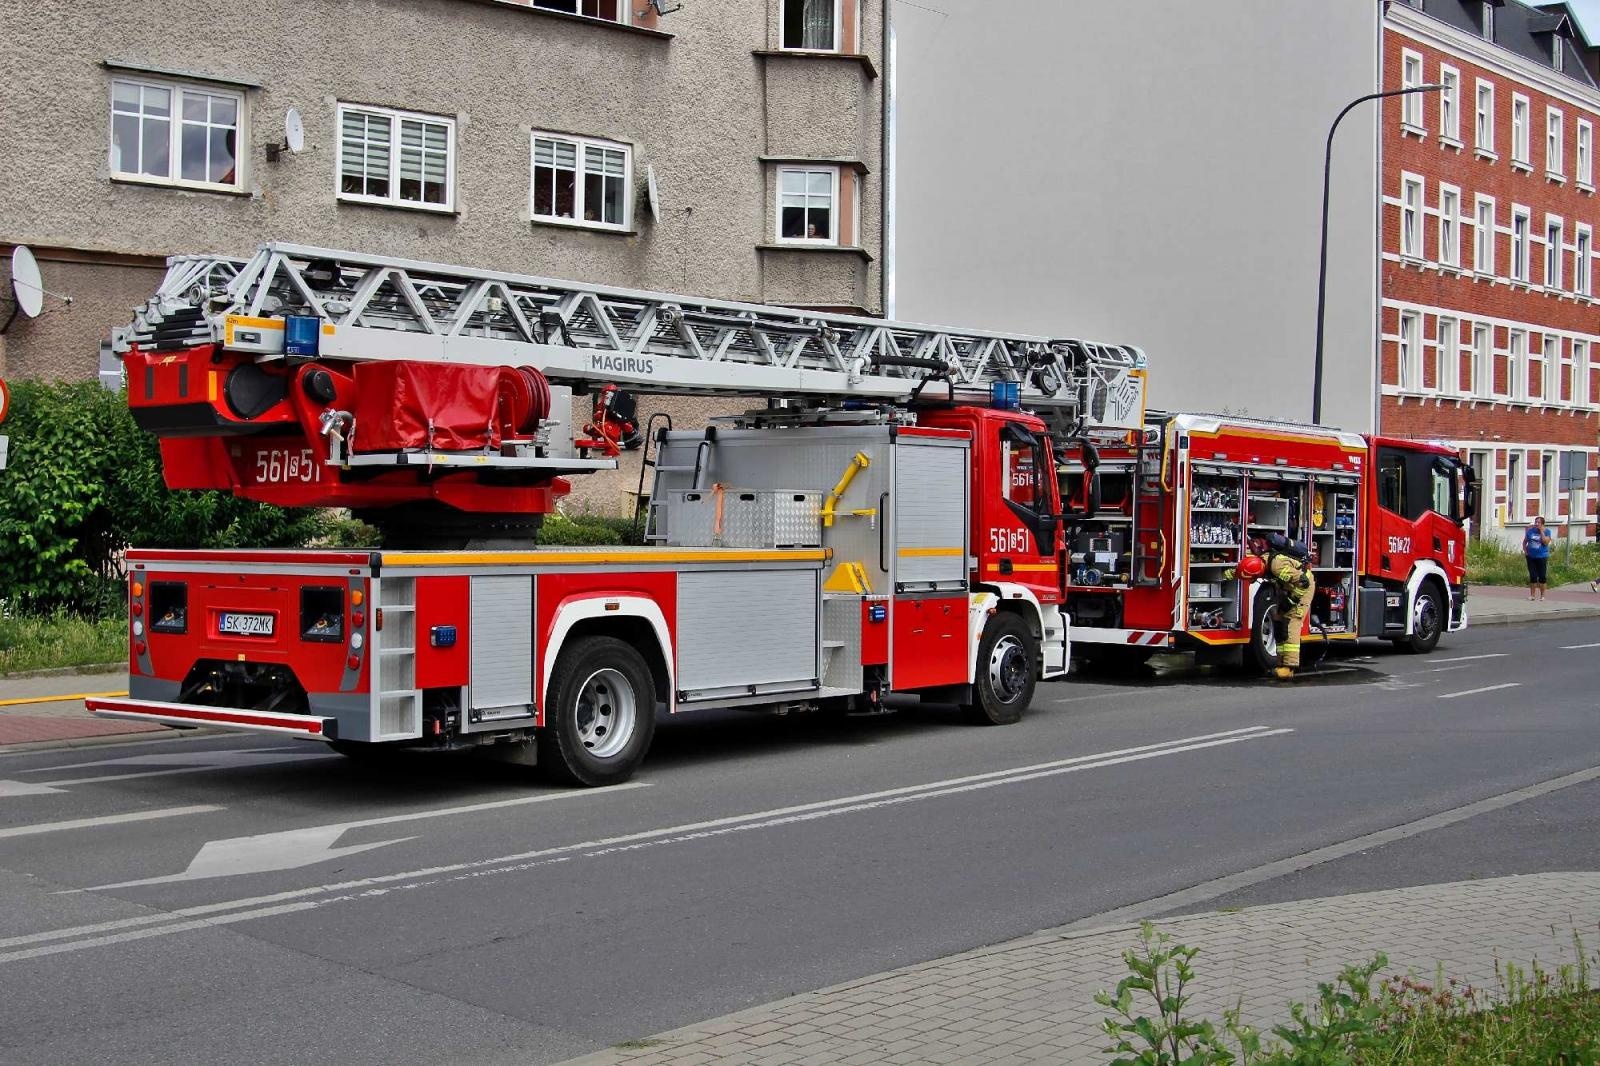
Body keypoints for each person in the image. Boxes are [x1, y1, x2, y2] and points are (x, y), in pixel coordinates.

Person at [1226, 533, 1316, 679]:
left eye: (1255, 577)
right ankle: (1280, 663)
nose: (1254, 579)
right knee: (1279, 623)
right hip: (1287, 588)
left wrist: (1291, 601)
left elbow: (1303, 582)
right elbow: (1241, 571)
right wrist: (1226, 574)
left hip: (1301, 590)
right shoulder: (1259, 562)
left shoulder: (1277, 567)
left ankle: (1289, 667)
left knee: (1291, 623)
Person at [1522, 516, 1552, 601]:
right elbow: (1525, 542)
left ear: (1542, 524)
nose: (1536, 524)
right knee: (1533, 576)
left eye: (1538, 522)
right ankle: (1532, 595)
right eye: (1536, 522)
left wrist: (1541, 531)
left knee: (1542, 576)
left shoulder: (1547, 531)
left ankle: (1542, 596)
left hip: (1542, 556)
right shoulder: (1530, 531)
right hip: (1531, 557)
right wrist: (1526, 552)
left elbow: (1545, 542)